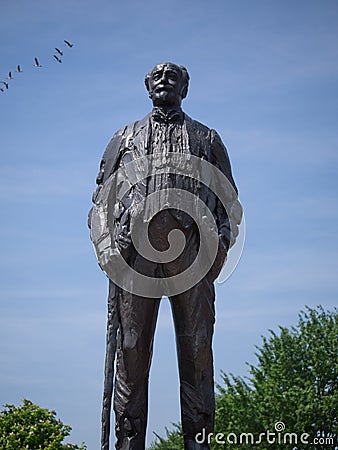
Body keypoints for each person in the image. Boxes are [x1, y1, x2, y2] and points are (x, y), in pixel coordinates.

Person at [89, 62, 241, 450]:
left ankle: (199, 443)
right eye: (157, 76)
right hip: (134, 258)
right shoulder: (124, 138)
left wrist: (219, 249)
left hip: (192, 256)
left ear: (185, 88)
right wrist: (107, 249)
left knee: (196, 352)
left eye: (174, 77)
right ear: (146, 86)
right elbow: (101, 200)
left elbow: (229, 202)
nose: (164, 80)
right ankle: (128, 444)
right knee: (132, 352)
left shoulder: (207, 138)